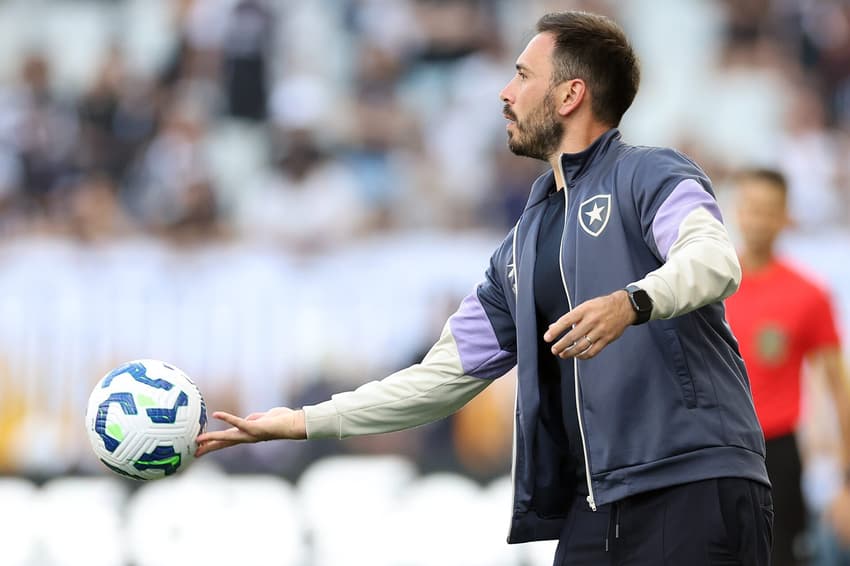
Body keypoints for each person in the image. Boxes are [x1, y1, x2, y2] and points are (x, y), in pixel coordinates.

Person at [197, 11, 773, 565]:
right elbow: (438, 379)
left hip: (695, 481)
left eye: (523, 76)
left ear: (570, 95)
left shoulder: (651, 174)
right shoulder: (520, 248)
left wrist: (631, 302)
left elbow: (713, 258)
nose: (505, 92)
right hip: (595, 507)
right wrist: (303, 421)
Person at [725, 169, 850, 566]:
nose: (758, 219)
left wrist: (846, 481)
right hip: (713, 450)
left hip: (774, 456)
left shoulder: (808, 294)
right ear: (737, 212)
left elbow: (838, 387)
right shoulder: (711, 288)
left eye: (768, 211)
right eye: (751, 208)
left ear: (784, 217)